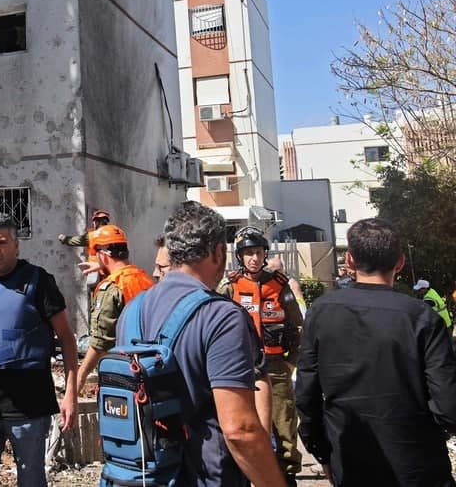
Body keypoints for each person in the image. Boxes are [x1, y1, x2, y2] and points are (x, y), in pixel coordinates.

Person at [118, 201, 284, 487]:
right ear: (218, 253)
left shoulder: (132, 310)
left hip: (138, 475)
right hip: (205, 477)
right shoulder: (222, 316)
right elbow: (239, 430)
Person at [296, 218, 456, 486]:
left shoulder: (320, 312)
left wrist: (322, 451)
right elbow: (448, 405)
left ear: (349, 260)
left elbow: (306, 395)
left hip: (350, 460)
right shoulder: (422, 317)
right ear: (400, 262)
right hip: (417, 463)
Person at [0, 213, 79, 487]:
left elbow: (67, 338)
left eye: (2, 242)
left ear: (16, 245)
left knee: (32, 480)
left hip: (28, 407)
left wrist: (71, 394)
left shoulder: (38, 281)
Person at [218, 228, 303, 485]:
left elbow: (297, 327)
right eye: (248, 253)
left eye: (257, 252)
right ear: (240, 257)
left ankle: (286, 475)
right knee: (241, 424)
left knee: (284, 423)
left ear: (265, 254)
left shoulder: (279, 285)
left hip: (276, 366)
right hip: (241, 367)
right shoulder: (230, 287)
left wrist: (290, 362)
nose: (254, 258)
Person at [75, 223, 154, 394]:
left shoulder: (111, 288)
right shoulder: (145, 279)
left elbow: (100, 344)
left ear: (103, 256)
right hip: (149, 368)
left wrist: (80, 376)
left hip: (124, 374)